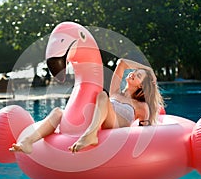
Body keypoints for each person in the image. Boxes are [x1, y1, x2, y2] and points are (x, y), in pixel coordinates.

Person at [9, 58, 164, 154]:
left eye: (138, 75)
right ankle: (28, 141)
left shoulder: (141, 106)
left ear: (141, 86)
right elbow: (122, 62)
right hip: (103, 118)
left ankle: (91, 135)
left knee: (103, 95)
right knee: (57, 112)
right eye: (135, 72)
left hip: (116, 125)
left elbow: (147, 132)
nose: (132, 74)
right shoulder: (116, 91)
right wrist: (147, 69)